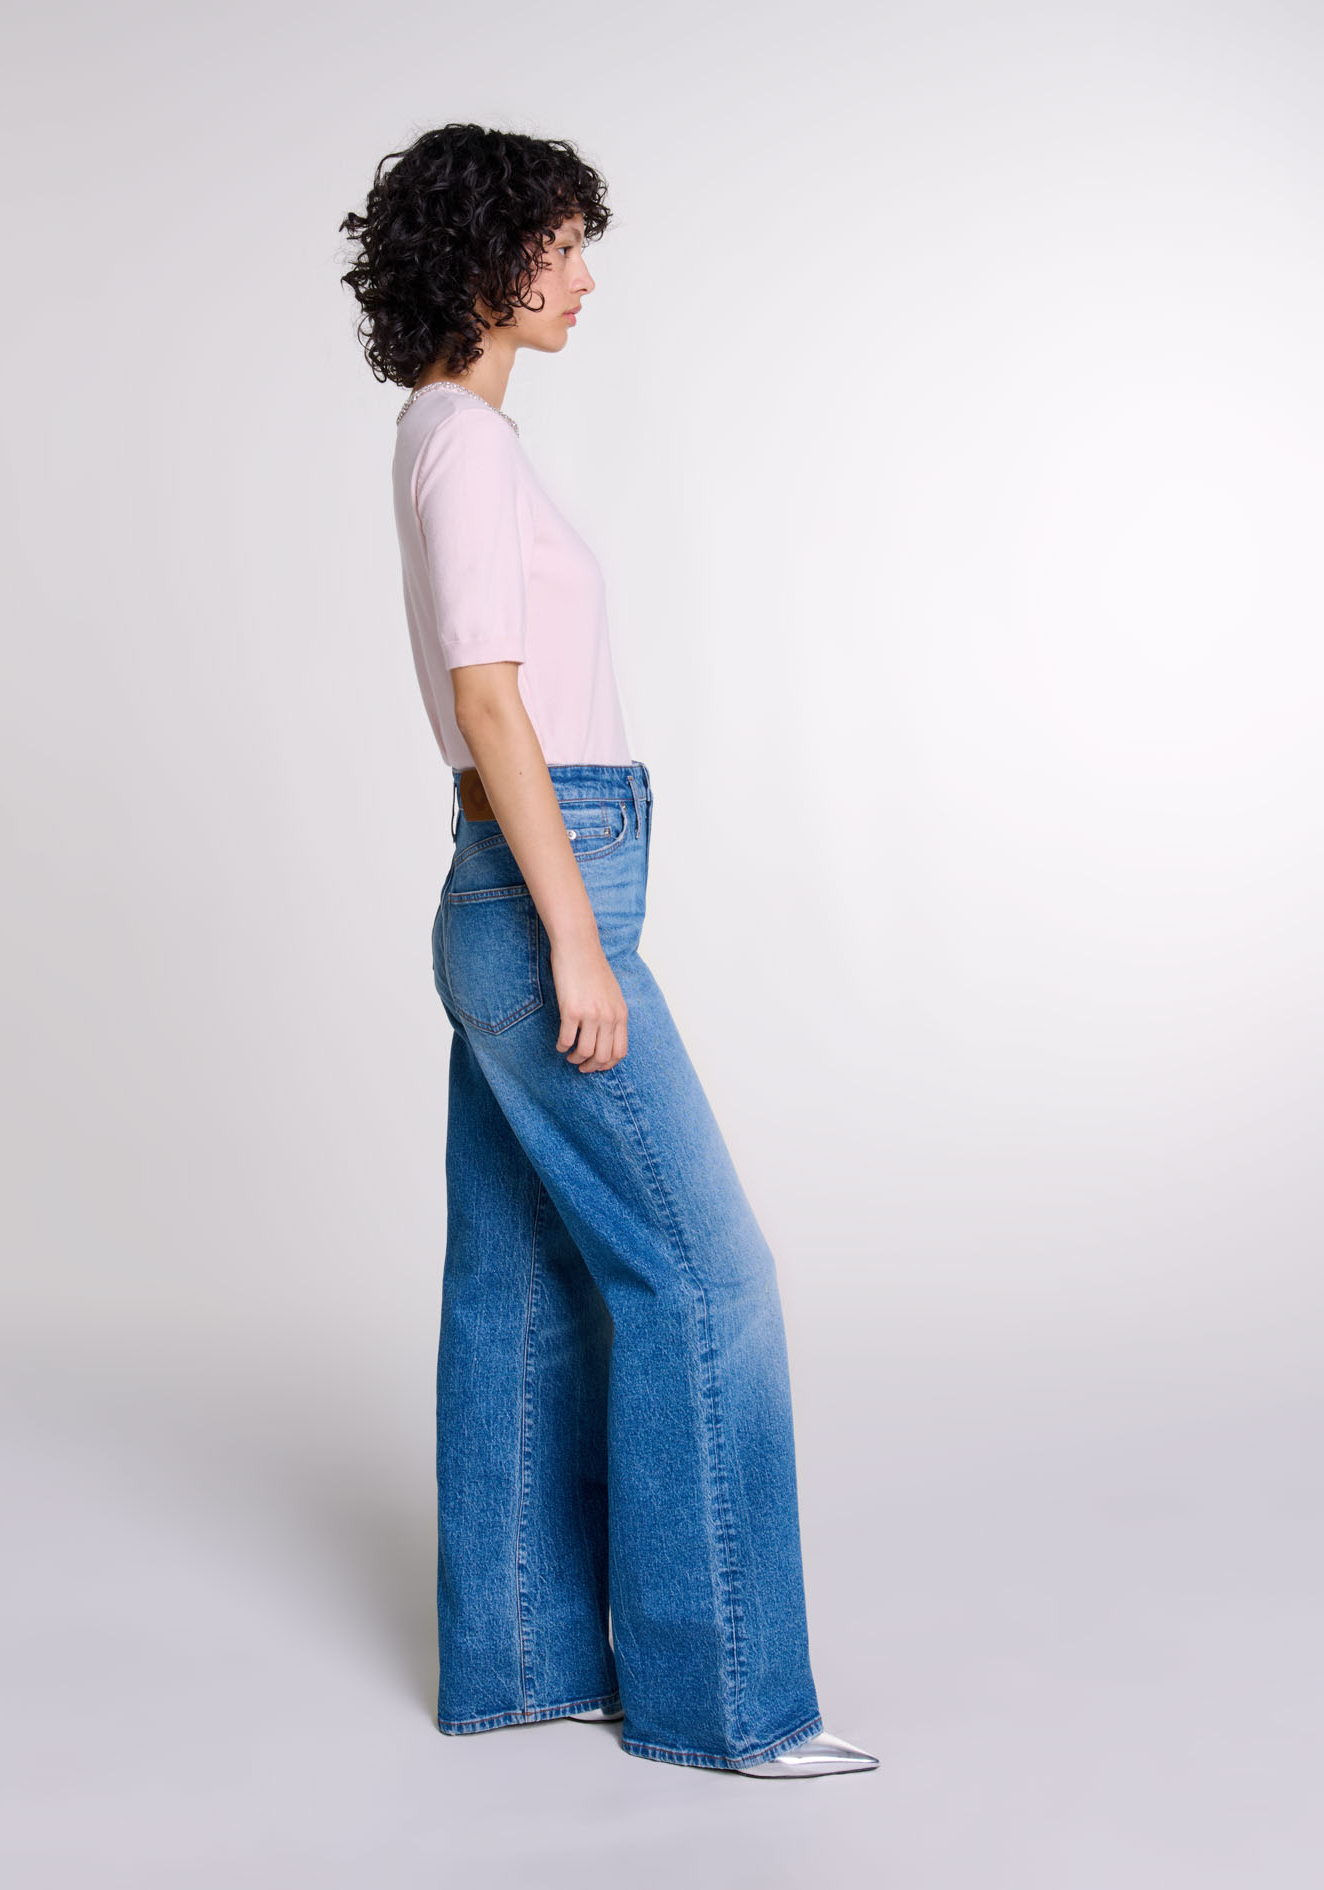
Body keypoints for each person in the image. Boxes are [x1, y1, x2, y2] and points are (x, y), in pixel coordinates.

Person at [338, 122, 879, 1779]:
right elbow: (492, 700)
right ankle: (728, 1704)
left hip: (523, 880)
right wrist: (578, 935)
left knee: (521, 1289)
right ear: (483, 257)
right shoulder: (464, 444)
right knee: (706, 1277)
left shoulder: (452, 435)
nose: (583, 275)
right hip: (539, 888)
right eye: (559, 243)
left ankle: (522, 1664)